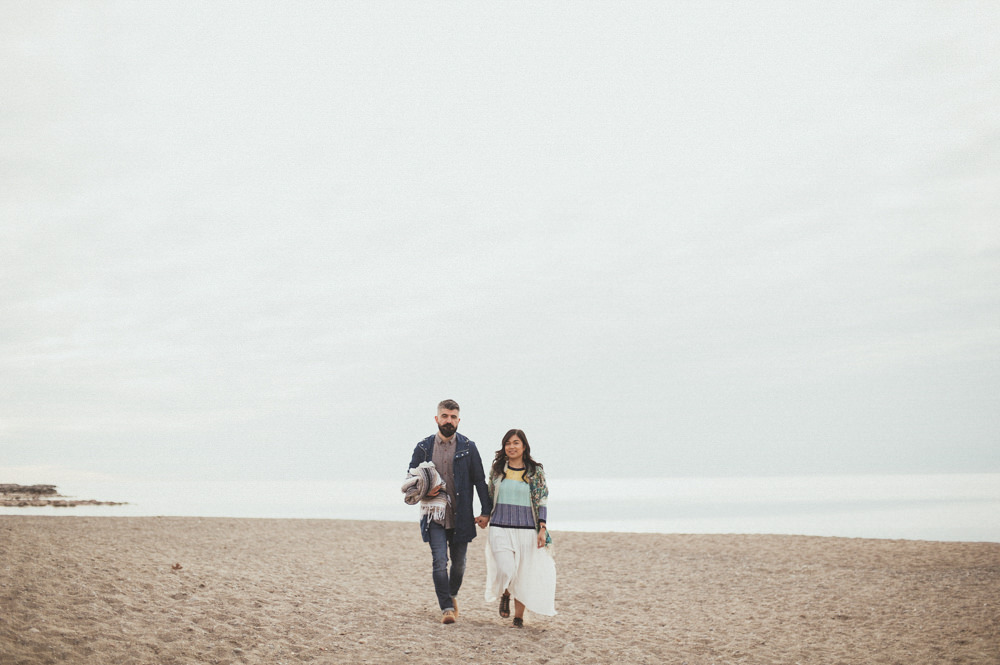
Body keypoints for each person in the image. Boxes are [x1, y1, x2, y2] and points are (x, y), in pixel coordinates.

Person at [407, 399, 492, 624]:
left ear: (458, 420)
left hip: (461, 515)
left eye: (453, 417)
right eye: (444, 416)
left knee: (460, 564)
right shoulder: (424, 447)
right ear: (437, 418)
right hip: (433, 515)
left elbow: (480, 480)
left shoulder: (468, 447)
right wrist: (425, 488)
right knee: (439, 561)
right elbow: (410, 478)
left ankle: (452, 595)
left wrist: (486, 511)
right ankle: (446, 608)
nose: (449, 421)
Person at [484, 428, 556, 627]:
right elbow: (489, 496)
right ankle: (505, 592)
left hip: (526, 529)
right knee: (507, 568)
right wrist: (484, 516)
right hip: (499, 526)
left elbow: (542, 499)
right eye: (508, 443)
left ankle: (518, 617)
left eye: (516, 442)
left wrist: (542, 527)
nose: (511, 446)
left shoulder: (535, 472)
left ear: (524, 446)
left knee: (523, 573)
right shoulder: (498, 470)